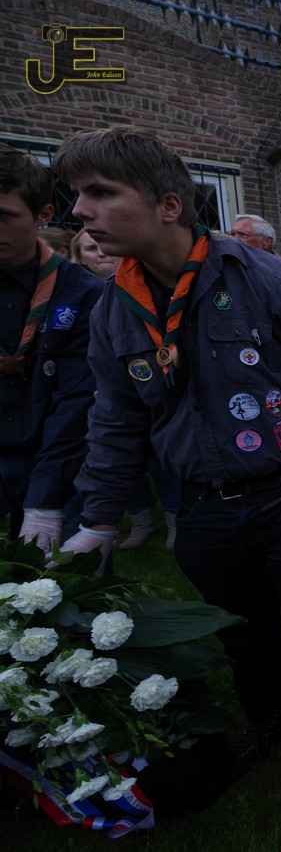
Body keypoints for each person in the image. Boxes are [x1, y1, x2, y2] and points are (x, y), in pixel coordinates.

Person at [54, 126, 281, 801]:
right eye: (76, 196)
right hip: (203, 504)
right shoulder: (115, 306)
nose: (80, 212)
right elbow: (116, 416)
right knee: (242, 632)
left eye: (100, 193)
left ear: (168, 205)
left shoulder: (266, 279)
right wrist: (97, 517)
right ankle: (269, 715)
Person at [0, 144, 103, 555]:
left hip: (59, 463)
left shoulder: (83, 293)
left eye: (3, 216)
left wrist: (45, 500)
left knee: (62, 583)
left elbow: (78, 399)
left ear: (43, 214)